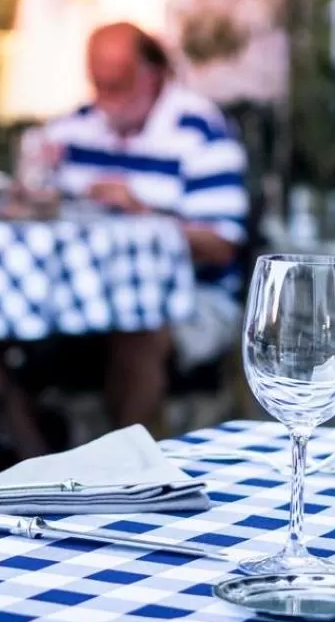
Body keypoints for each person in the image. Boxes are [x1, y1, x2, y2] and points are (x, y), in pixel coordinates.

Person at [33, 21, 251, 435]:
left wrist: (144, 214)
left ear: (153, 75)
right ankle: (36, 460)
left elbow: (222, 246)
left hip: (190, 295)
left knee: (137, 320)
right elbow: (37, 188)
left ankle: (128, 474)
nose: (104, 99)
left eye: (116, 85)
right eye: (97, 84)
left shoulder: (200, 131)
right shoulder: (75, 127)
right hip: (81, 291)